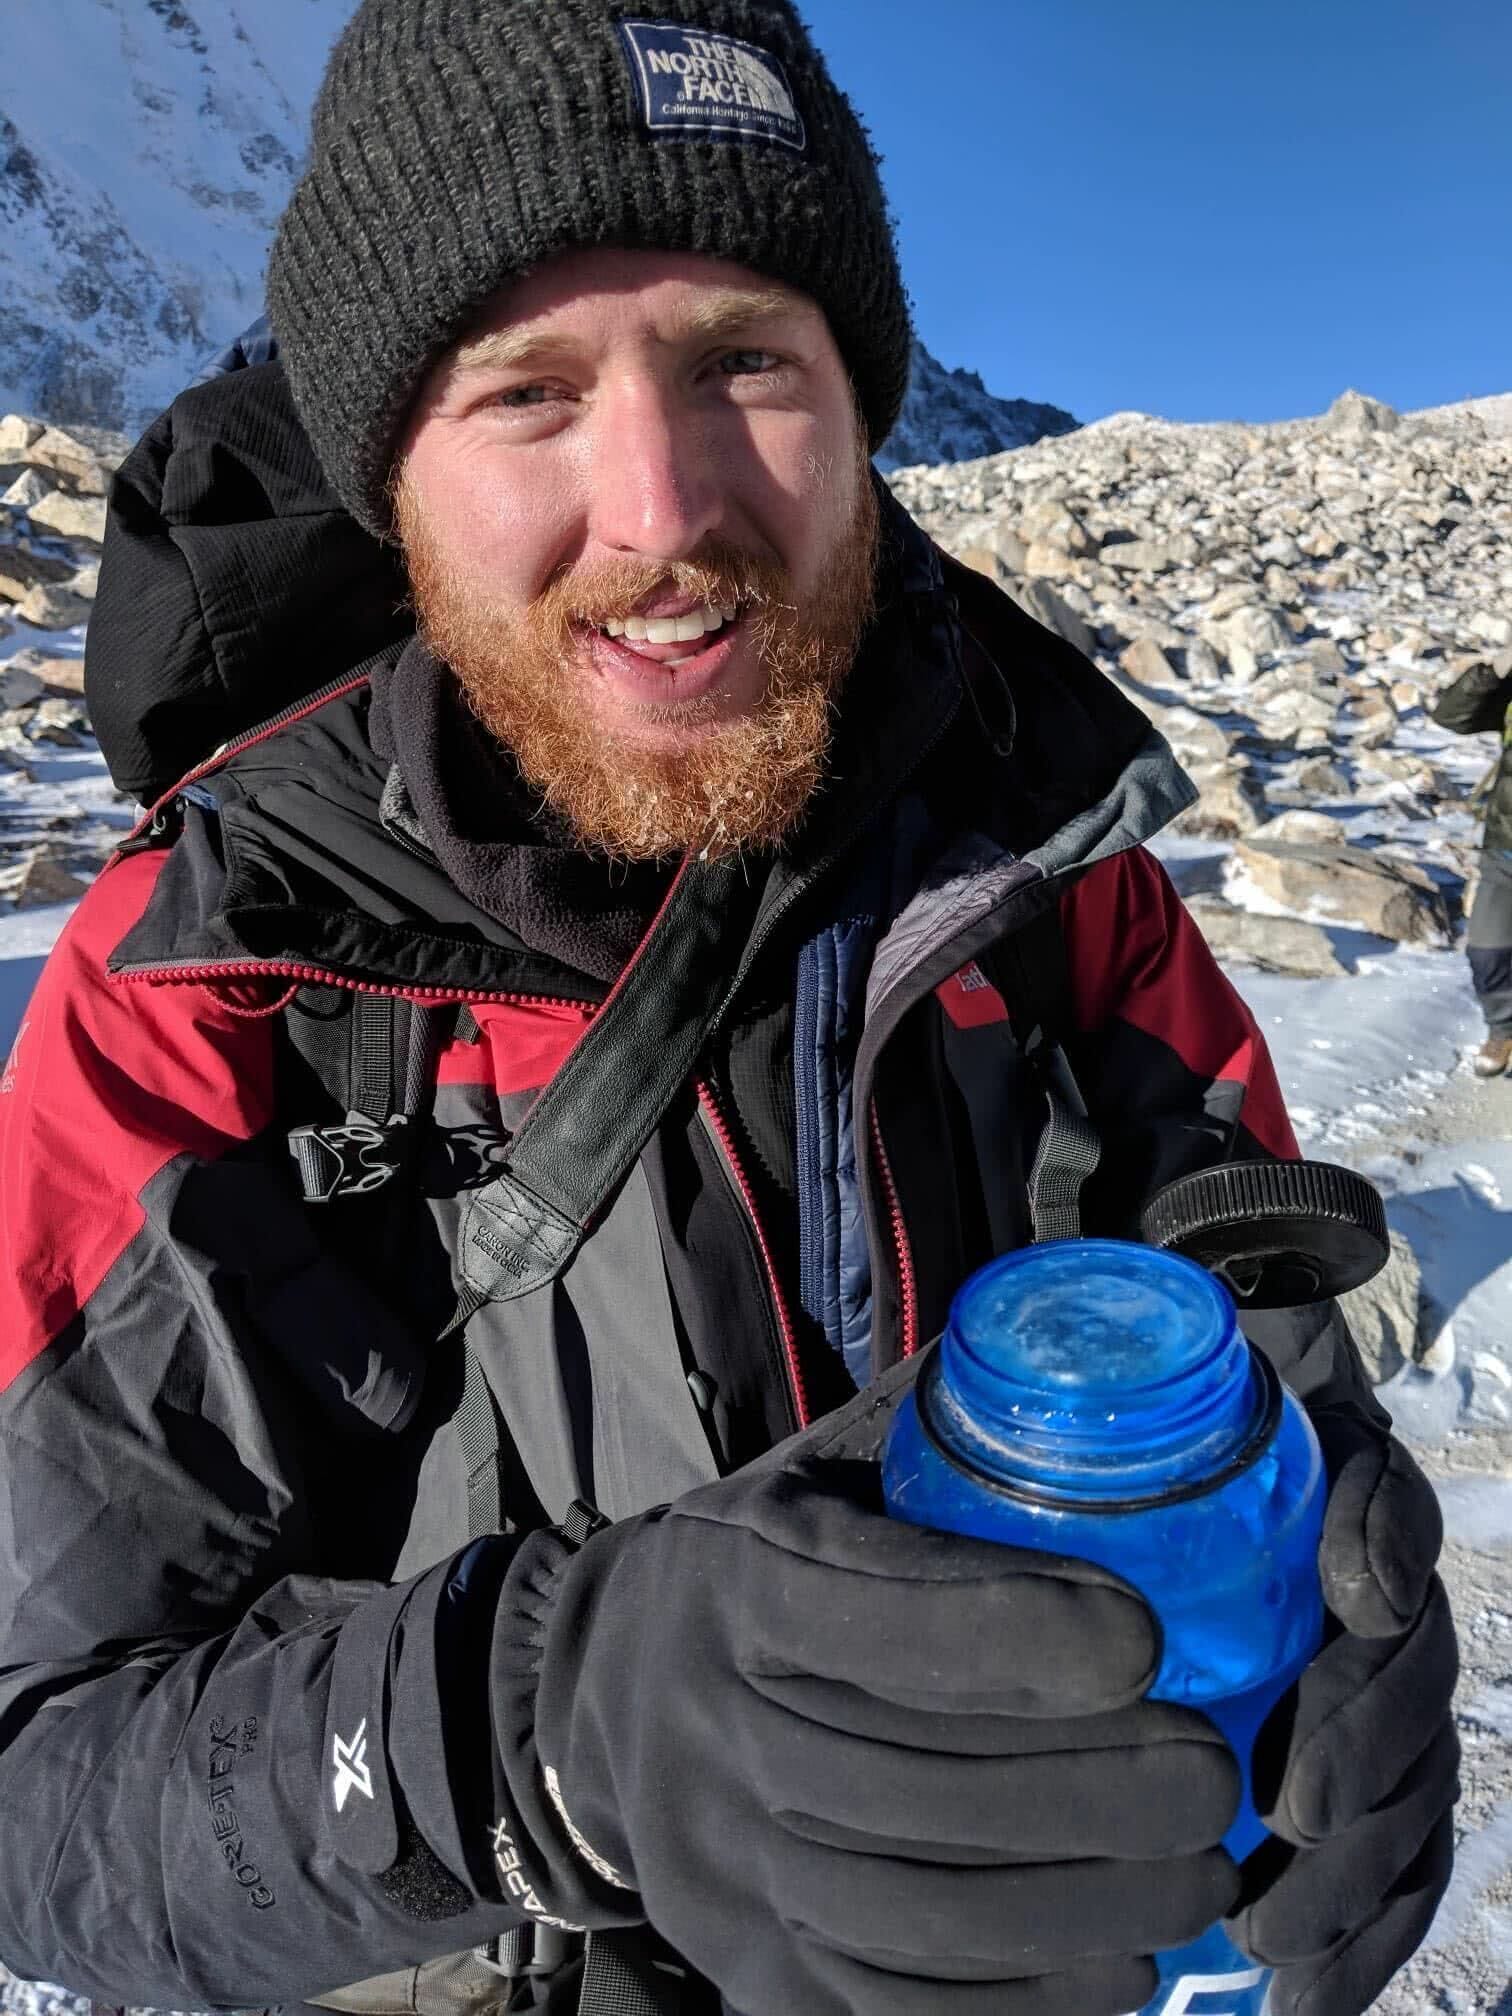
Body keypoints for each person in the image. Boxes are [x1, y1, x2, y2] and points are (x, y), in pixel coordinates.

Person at [0, 4, 1458, 2015]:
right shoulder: (205, 987)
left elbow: (1259, 1344)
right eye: (523, 389)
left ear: (863, 406)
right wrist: (555, 1731)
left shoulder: (1059, 882)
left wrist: (1326, 1624)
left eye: (744, 361)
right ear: (386, 477)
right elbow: (44, 1797)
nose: (666, 509)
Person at [1432, 651, 1512, 1075]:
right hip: (1505, 848)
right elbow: (1452, 717)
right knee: (1486, 950)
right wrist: (1496, 668)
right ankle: (1502, 1029)